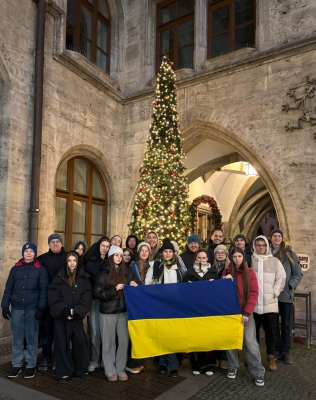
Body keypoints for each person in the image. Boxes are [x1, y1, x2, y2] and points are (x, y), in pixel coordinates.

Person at [1, 243, 48, 379]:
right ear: (23, 253)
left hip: (32, 309)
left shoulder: (40, 269)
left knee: (32, 338)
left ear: (35, 253)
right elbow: (8, 288)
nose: (28, 253)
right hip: (16, 309)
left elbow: (44, 290)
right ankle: (16, 364)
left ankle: (31, 365)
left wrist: (41, 308)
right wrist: (5, 305)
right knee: (17, 339)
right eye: (26, 251)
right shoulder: (15, 269)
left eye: (31, 251)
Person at [94, 246, 139, 382]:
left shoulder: (127, 272)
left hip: (123, 311)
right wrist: (114, 290)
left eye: (121, 255)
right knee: (108, 342)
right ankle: (110, 370)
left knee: (124, 341)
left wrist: (134, 283)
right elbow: (98, 293)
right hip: (108, 312)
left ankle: (120, 368)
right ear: (111, 257)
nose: (119, 257)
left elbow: (135, 284)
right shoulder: (103, 274)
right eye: (116, 255)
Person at [222, 247, 265, 386]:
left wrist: (247, 312)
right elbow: (221, 294)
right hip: (230, 314)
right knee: (231, 342)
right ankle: (233, 366)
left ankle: (258, 371)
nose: (237, 259)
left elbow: (254, 292)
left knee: (250, 342)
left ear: (243, 257)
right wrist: (224, 281)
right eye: (234, 256)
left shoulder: (250, 273)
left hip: (245, 313)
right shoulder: (226, 272)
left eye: (239, 256)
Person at [48, 251, 92, 383]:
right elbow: (53, 294)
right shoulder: (60, 276)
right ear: (66, 262)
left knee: (80, 343)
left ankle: (81, 370)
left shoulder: (84, 277)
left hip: (76, 318)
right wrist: (65, 311)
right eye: (69, 260)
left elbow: (86, 296)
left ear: (78, 262)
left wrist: (75, 312)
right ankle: (64, 371)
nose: (72, 263)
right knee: (62, 345)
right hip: (62, 318)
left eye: (74, 260)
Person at [145, 240, 185, 377]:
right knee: (161, 334)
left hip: (174, 305)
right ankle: (165, 364)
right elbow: (148, 283)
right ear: (162, 253)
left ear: (173, 253)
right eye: (165, 251)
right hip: (160, 304)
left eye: (170, 251)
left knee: (171, 335)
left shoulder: (178, 267)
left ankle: (169, 364)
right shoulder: (155, 265)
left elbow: (183, 285)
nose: (167, 254)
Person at [251, 235, 286, 372]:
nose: (261, 247)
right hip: (254, 304)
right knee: (253, 333)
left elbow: (281, 278)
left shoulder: (275, 261)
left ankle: (271, 356)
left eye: (263, 245)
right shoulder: (250, 260)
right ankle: (254, 357)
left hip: (270, 303)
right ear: (255, 246)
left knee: (271, 332)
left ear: (267, 246)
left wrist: (275, 292)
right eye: (258, 245)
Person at [183, 249, 218, 376]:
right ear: (195, 259)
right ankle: (195, 365)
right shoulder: (190, 272)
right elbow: (182, 289)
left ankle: (209, 365)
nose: (201, 260)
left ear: (207, 259)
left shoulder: (213, 272)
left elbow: (219, 290)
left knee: (208, 337)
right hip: (194, 310)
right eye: (199, 258)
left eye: (204, 258)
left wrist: (215, 285)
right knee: (196, 337)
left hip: (209, 310)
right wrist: (187, 285)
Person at [270, 229, 303, 364]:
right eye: (274, 236)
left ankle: (285, 351)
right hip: (272, 296)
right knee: (273, 325)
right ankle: (276, 349)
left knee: (286, 324)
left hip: (285, 296)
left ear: (282, 238)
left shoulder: (289, 254)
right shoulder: (267, 254)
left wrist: (290, 286)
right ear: (270, 238)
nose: (277, 238)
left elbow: (298, 274)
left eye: (279, 236)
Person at [37, 233, 67, 371]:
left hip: (63, 302)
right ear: (49, 244)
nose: (55, 244)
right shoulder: (42, 259)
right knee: (48, 331)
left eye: (58, 241)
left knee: (60, 333)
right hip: (48, 302)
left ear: (61, 243)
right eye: (52, 242)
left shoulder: (68, 258)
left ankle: (58, 358)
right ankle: (46, 357)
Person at [126, 242, 153, 374]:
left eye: (146, 251)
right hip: (136, 304)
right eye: (142, 250)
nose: (144, 253)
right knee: (135, 333)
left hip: (148, 303)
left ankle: (139, 360)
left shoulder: (153, 266)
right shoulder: (133, 266)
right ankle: (132, 363)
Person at [84, 237, 111, 372]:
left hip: (107, 301)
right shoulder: (90, 262)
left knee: (106, 333)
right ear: (98, 246)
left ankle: (105, 360)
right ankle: (94, 360)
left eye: (107, 246)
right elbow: (86, 285)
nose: (105, 248)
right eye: (103, 245)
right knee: (94, 332)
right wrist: (86, 304)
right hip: (94, 301)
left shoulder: (110, 262)